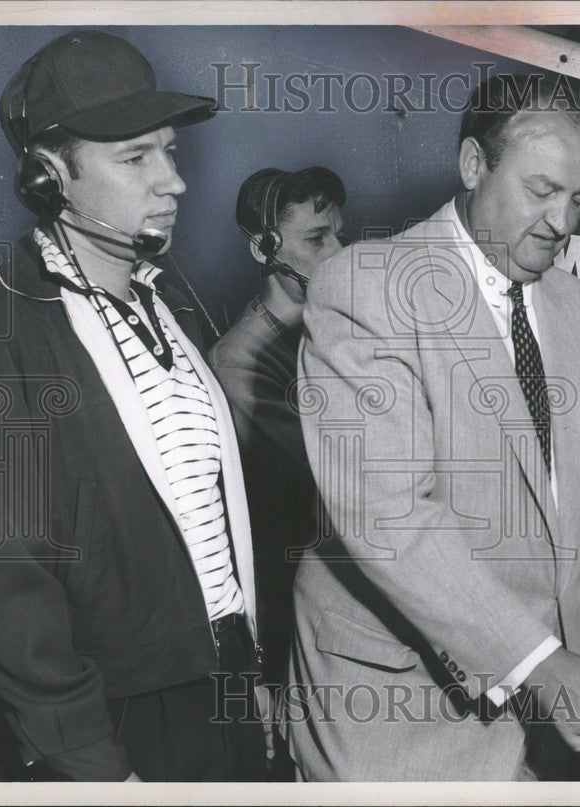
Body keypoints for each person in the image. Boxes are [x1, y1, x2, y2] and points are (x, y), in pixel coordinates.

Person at [283, 74, 580, 781]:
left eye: (577, 199)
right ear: (475, 166)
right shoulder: (366, 289)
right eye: (540, 191)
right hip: (401, 713)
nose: (562, 223)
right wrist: (539, 662)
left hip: (549, 711)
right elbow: (389, 517)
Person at [0, 31, 267, 782]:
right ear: (46, 178)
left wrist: (250, 678)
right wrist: (92, 764)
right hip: (116, 721)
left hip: (219, 690)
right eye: (135, 158)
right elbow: (6, 583)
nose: (174, 181)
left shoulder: (172, 306)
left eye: (170, 151)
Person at [208, 166, 345, 775]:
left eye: (337, 234)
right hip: (293, 610)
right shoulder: (240, 358)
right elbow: (335, 466)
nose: (338, 252)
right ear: (264, 248)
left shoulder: (332, 330)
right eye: (317, 238)